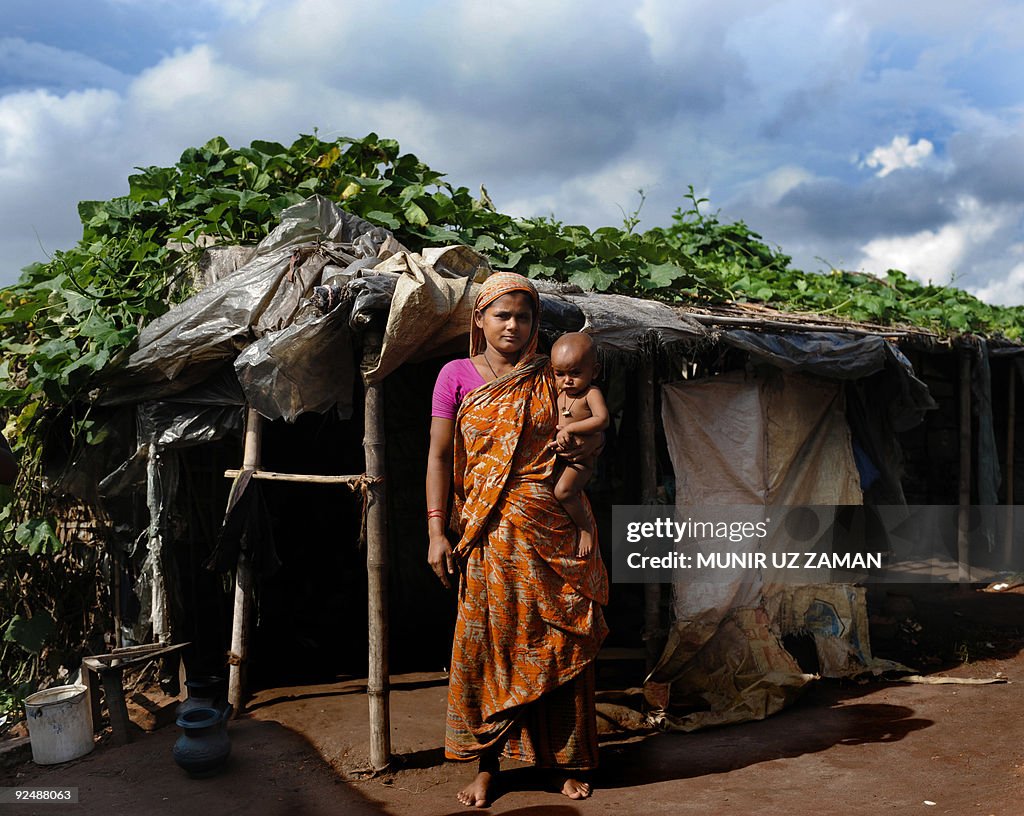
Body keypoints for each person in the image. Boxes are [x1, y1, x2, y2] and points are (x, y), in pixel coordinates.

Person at [426, 272, 609, 808]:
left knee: (557, 639)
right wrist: (437, 530)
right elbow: (438, 455)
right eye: (502, 314)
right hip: (484, 534)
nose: (513, 325)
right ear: (479, 319)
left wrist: (585, 461)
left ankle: (559, 762)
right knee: (489, 644)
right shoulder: (454, 376)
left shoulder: (554, 377)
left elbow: (588, 430)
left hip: (552, 528)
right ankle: (487, 765)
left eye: (524, 315)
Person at [549, 332, 609, 558]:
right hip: (559, 461)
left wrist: (571, 429)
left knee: (563, 492)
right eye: (560, 374)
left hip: (580, 462)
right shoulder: (559, 393)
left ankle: (585, 528)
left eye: (575, 373)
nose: (567, 380)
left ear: (593, 371)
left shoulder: (591, 393)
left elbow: (602, 419)